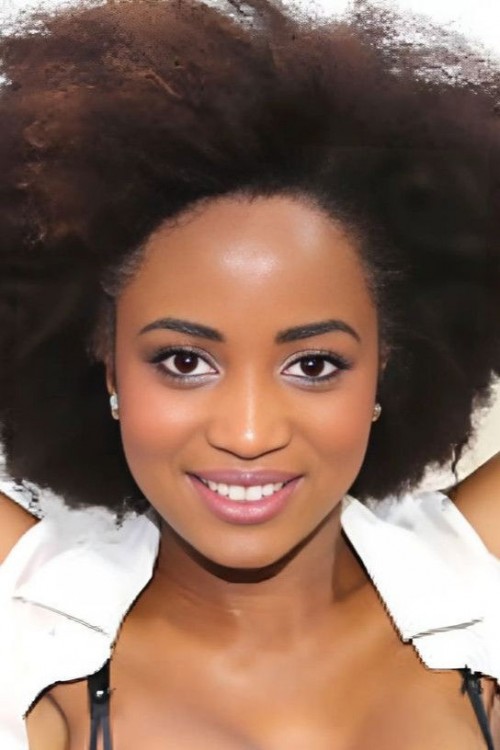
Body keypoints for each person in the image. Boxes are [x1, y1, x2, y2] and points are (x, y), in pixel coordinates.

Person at [0, 0, 499, 747]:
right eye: (184, 362)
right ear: (107, 371)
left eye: (314, 364)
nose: (248, 433)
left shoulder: (476, 574)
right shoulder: (38, 644)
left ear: (385, 371)